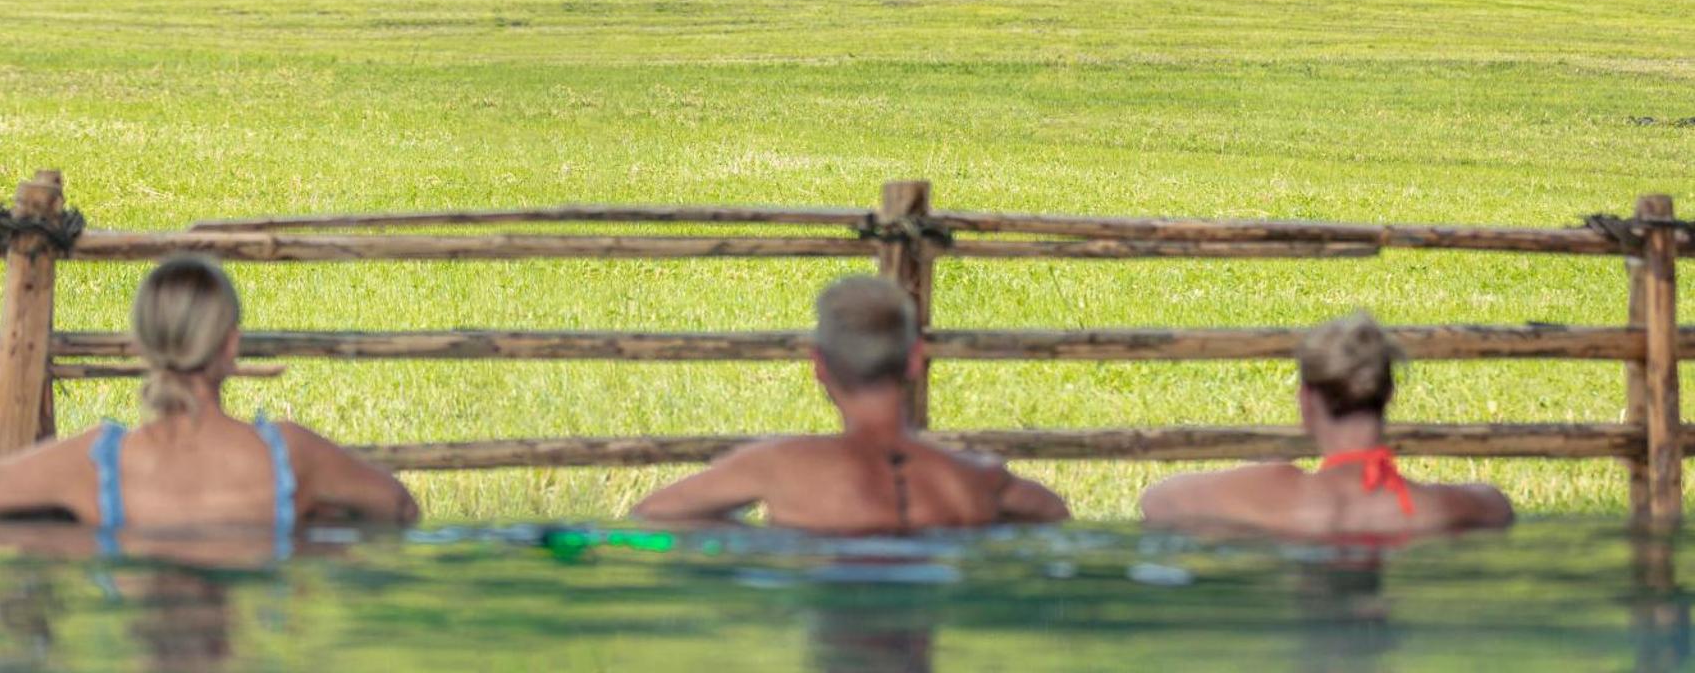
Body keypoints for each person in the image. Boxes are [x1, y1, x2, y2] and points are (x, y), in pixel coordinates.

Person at [0, 255, 418, 531]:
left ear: (143, 346)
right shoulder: (290, 458)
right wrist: (308, 539)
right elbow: (399, 509)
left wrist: (69, 545)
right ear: (231, 345)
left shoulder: (96, 464)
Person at [633, 275, 1069, 531]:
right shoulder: (977, 479)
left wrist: (754, 541)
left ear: (819, 365)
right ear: (915, 359)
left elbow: (653, 514)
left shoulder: (779, 467)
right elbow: (1051, 510)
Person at [1140, 311, 1513, 537]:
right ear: (1388, 394)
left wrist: (1264, 480)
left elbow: (1156, 501)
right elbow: (1497, 504)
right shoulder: (1439, 508)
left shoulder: (1273, 495)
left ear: (1306, 401)